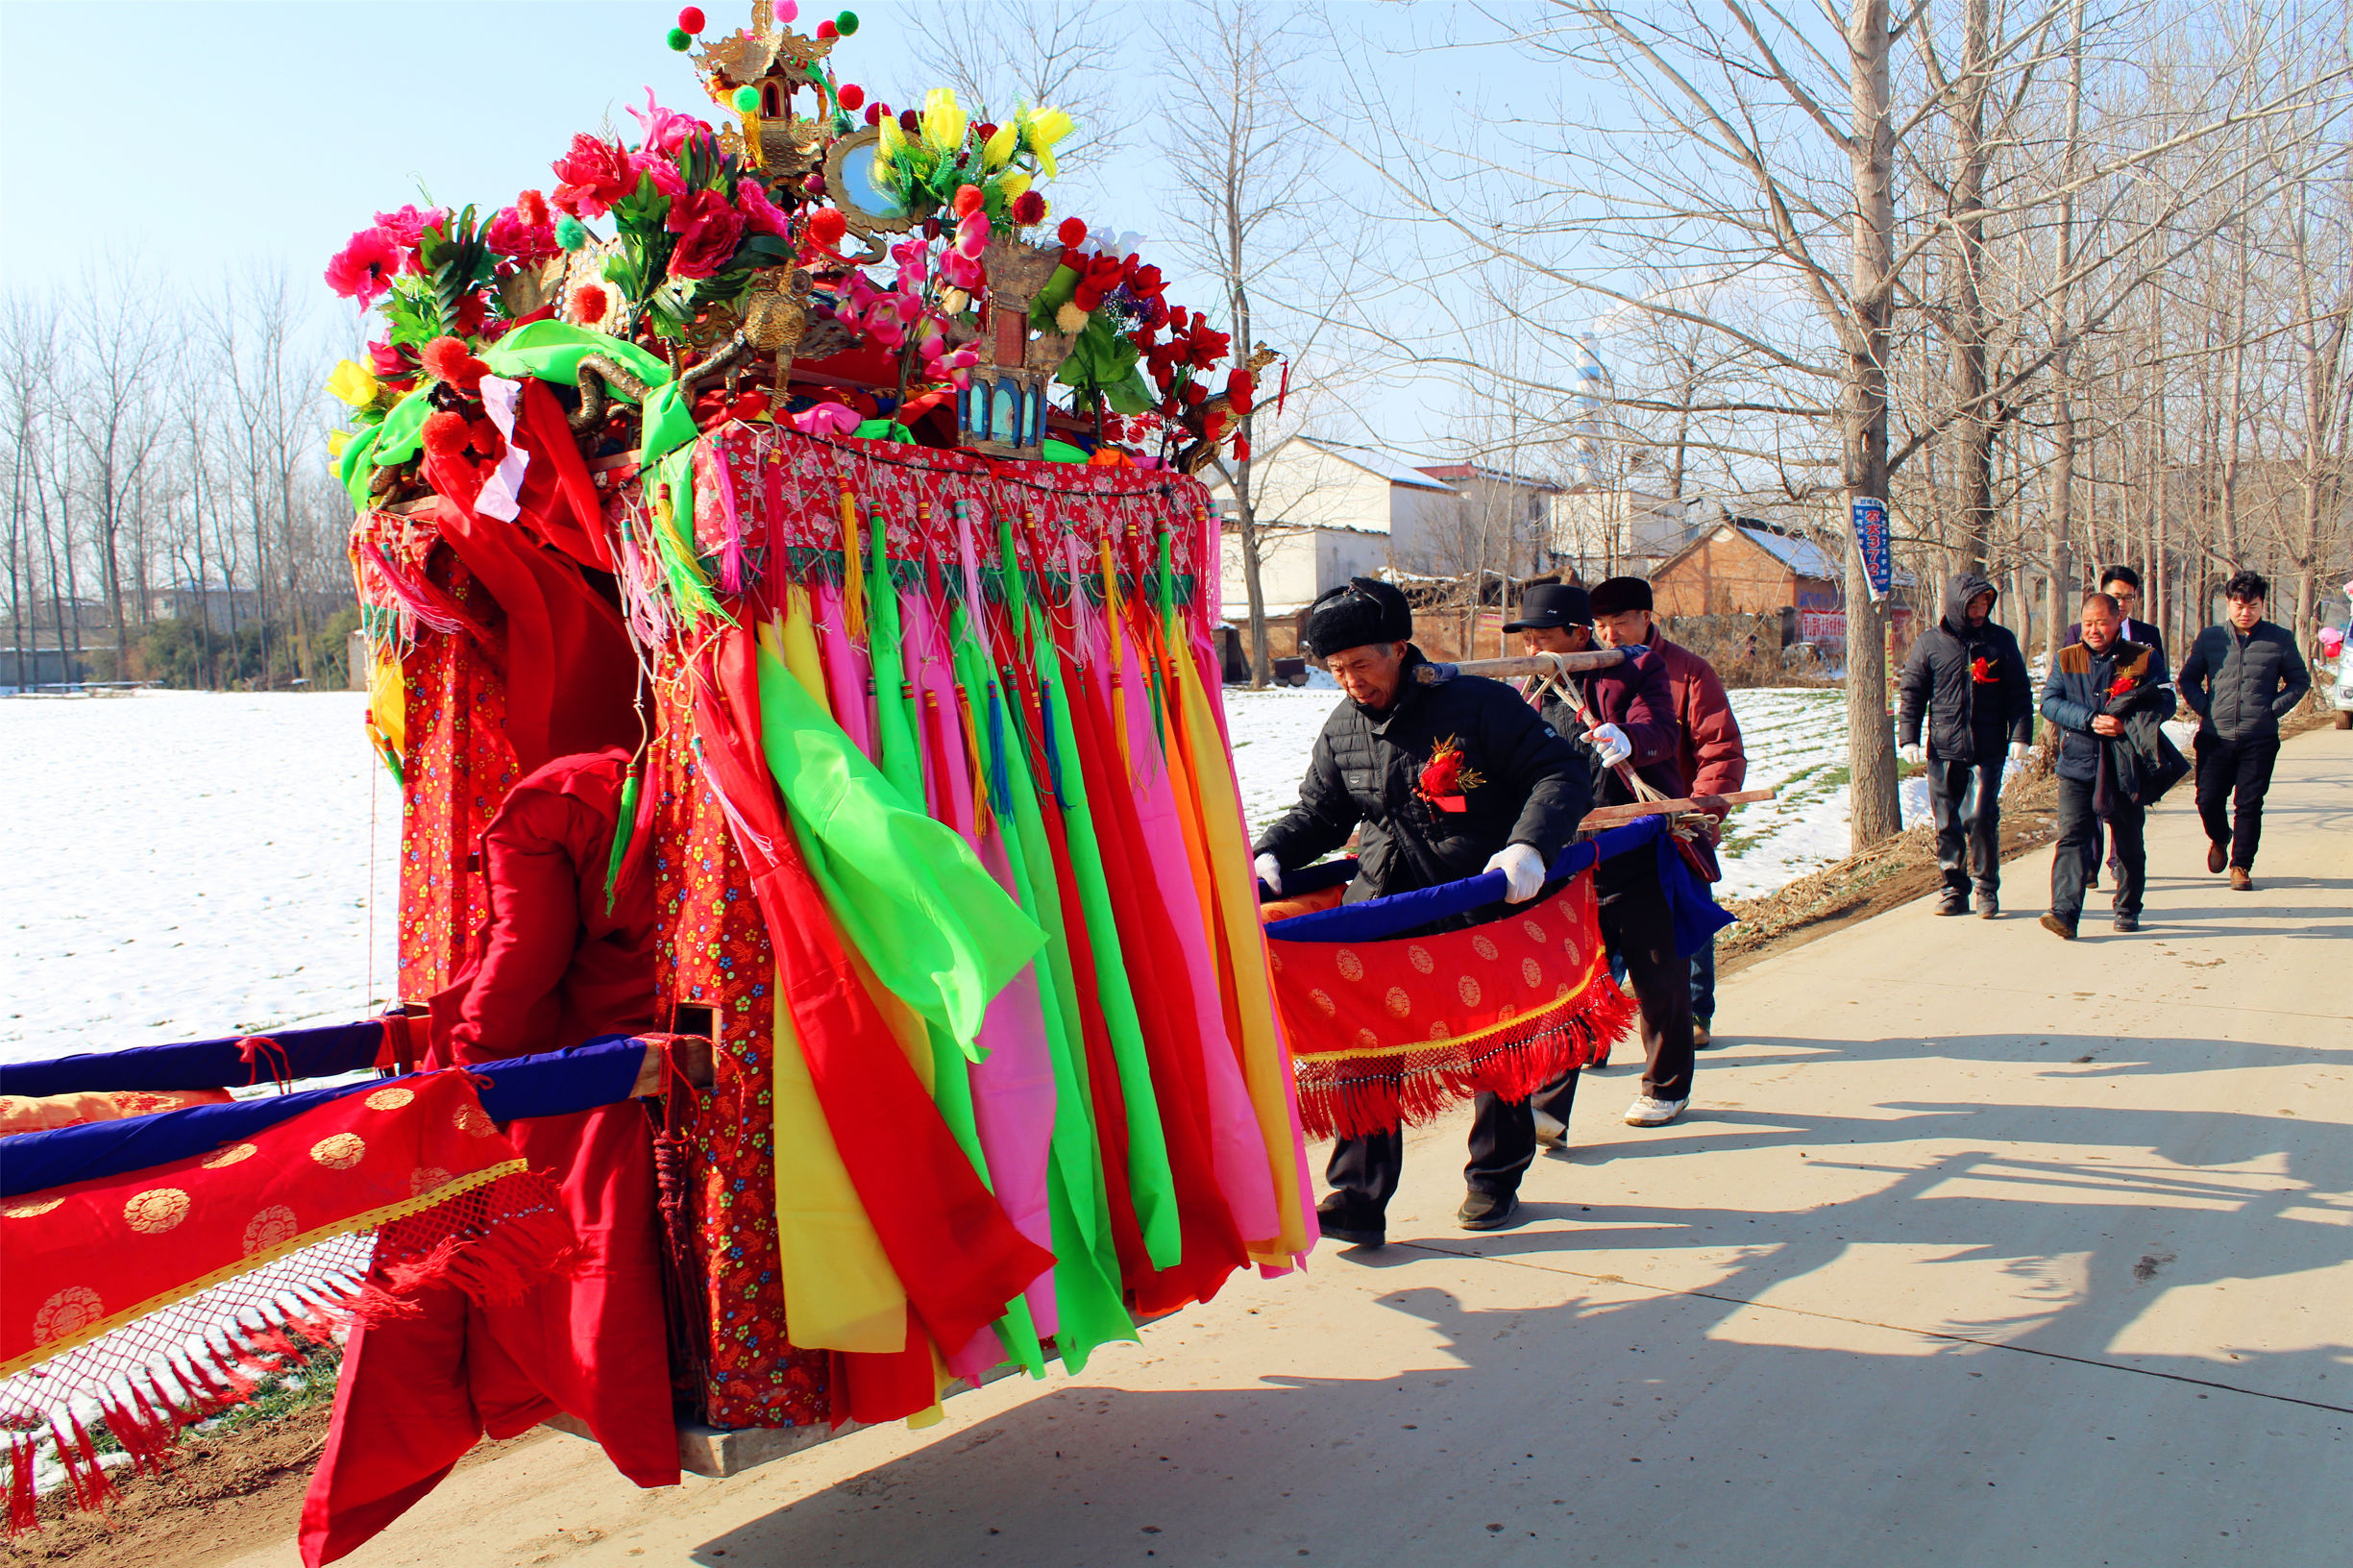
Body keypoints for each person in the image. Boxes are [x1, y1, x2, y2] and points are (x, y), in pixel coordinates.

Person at [1253, 577, 1590, 1244]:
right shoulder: (1345, 724)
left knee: (1494, 1043)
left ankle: (1494, 1177)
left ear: (1400, 649)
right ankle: (1355, 1197)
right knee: (1363, 1046)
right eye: (1336, 670)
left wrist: (1526, 846)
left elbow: (1560, 774)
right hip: (1382, 902)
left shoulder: (1478, 706)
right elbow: (1322, 811)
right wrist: (1270, 852)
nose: (1350, 682)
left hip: (1477, 898)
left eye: (1361, 665)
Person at [1504, 580, 1699, 1139]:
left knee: (1656, 971)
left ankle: (1666, 1086)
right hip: (1568, 855)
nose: (1535, 647)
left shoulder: (1631, 672)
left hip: (1634, 845)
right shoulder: (1528, 694)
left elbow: (1663, 729)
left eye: (1544, 637)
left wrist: (1630, 738)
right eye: (1528, 638)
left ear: (1577, 632)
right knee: (1568, 978)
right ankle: (1548, 1107)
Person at [1584, 576, 1747, 1048]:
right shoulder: (1593, 671)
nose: (1609, 635)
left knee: (1686, 915)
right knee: (1605, 930)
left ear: (1646, 618)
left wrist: (1697, 816)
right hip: (1614, 825)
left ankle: (1695, 1013)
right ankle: (1598, 1028)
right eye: (1600, 625)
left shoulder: (1688, 672)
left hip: (1679, 819)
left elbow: (1720, 750)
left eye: (1620, 622)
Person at [1896, 573, 2035, 918]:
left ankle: (1987, 888)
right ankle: (1953, 888)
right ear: (1956, 604)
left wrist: (2020, 734)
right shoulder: (1930, 643)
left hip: (1987, 748)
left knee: (1980, 816)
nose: (1979, 610)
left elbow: (2019, 692)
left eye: (1985, 603)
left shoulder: (2001, 641)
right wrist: (1908, 735)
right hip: (1943, 749)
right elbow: (1913, 692)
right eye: (1972, 603)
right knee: (1946, 822)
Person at [2037, 594, 2170, 937]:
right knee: (2072, 837)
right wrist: (2087, 719)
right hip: (2078, 763)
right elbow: (2050, 702)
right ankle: (2064, 912)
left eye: (2102, 622)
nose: (2094, 630)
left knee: (2127, 839)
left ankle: (2127, 907)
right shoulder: (2068, 658)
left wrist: (2130, 723)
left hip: (2124, 763)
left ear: (2117, 622)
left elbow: (2166, 701)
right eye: (2088, 622)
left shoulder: (2142, 657)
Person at [2176, 570, 2310, 890]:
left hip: (2258, 738)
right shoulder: (2211, 638)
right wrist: (2205, 708)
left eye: (2252, 605)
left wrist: (2271, 710)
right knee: (2207, 800)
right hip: (2214, 737)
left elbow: (2299, 681)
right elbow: (2188, 678)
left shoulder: (2279, 639)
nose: (2245, 612)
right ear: (2228, 603)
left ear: (2262, 604)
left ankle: (2241, 866)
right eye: (2238, 605)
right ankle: (2221, 838)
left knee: (2249, 803)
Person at [2063, 566, 2169, 894]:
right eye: (2116, 596)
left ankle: (2119, 865)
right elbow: (2066, 686)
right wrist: (2086, 719)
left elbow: (2160, 689)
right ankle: (2089, 865)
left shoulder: (2146, 635)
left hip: (2128, 740)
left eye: (2128, 597)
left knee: (2124, 813)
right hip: (2088, 738)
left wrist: (2139, 722)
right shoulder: (2078, 634)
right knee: (2086, 810)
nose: (2122, 603)